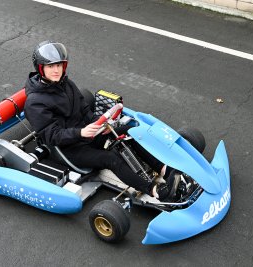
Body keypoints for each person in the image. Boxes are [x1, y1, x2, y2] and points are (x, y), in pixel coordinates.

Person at [24, 40, 181, 201]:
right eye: (51, 66)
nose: (56, 70)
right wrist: (81, 132)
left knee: (128, 132)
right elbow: (53, 136)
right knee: (110, 158)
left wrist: (101, 125)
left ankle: (165, 170)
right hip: (67, 150)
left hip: (87, 136)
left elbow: (85, 110)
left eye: (59, 65)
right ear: (41, 68)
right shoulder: (35, 102)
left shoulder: (67, 84)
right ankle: (155, 191)